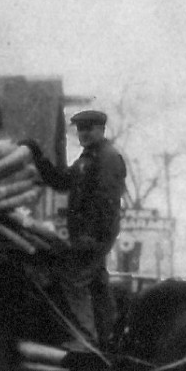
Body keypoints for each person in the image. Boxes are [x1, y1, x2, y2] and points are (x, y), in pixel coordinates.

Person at [26, 110, 128, 351]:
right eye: (80, 129)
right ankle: (111, 340)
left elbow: (106, 202)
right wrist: (38, 156)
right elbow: (61, 181)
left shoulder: (107, 158)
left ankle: (86, 340)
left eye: (88, 129)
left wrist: (92, 237)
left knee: (73, 280)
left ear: (101, 130)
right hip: (88, 236)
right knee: (97, 286)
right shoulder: (88, 158)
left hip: (93, 236)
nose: (83, 134)